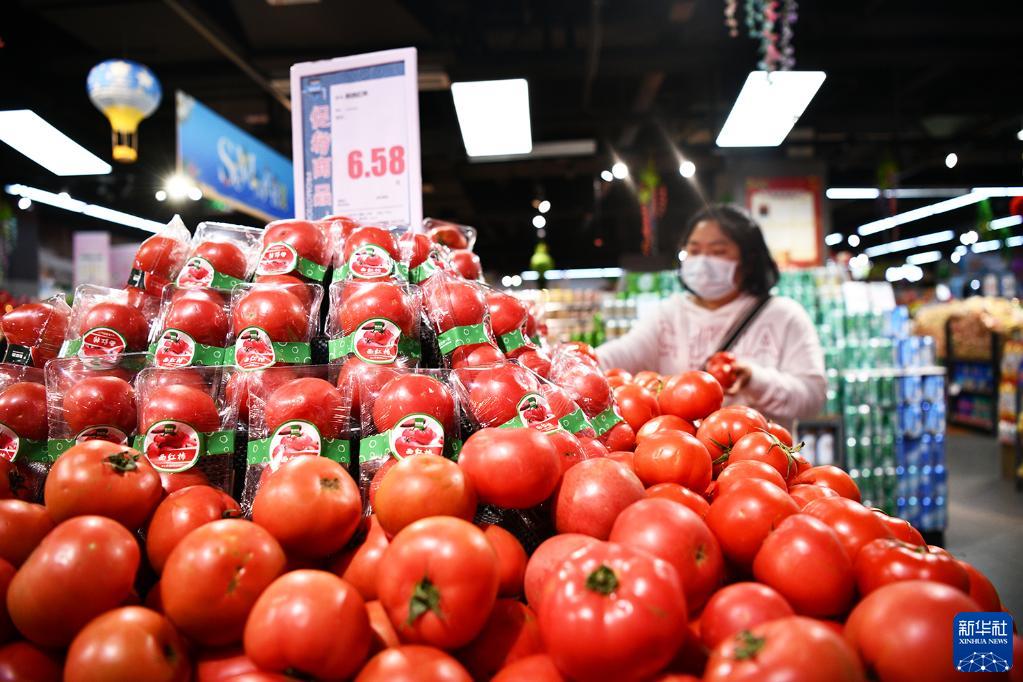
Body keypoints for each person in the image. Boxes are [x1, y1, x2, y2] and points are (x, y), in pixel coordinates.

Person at [597, 204, 826, 425]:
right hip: (679, 449)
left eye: (718, 252)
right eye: (694, 251)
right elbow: (622, 353)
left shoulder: (784, 316)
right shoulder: (667, 315)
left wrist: (755, 380)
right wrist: (581, 360)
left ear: (749, 260)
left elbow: (813, 397)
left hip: (762, 447)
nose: (703, 261)